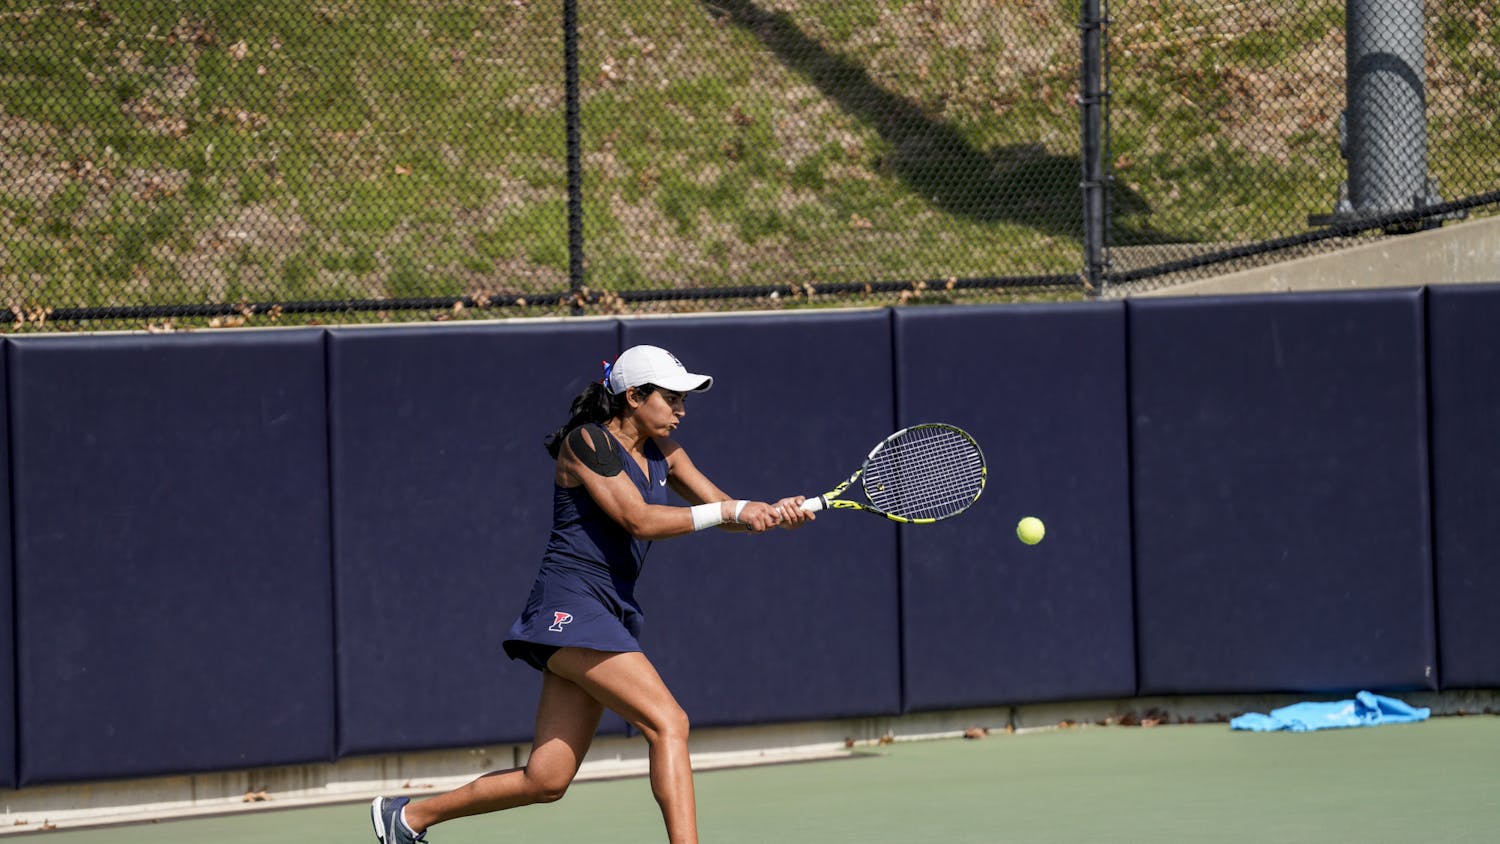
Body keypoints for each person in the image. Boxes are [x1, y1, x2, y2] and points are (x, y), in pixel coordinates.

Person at [370, 344, 813, 844]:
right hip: (570, 604)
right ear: (632, 397)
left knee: (546, 779)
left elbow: (723, 509)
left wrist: (768, 510)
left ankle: (406, 817)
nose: (681, 411)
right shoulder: (586, 442)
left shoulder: (663, 451)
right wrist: (734, 513)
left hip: (611, 610)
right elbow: (638, 520)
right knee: (669, 722)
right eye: (671, 399)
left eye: (683, 400)